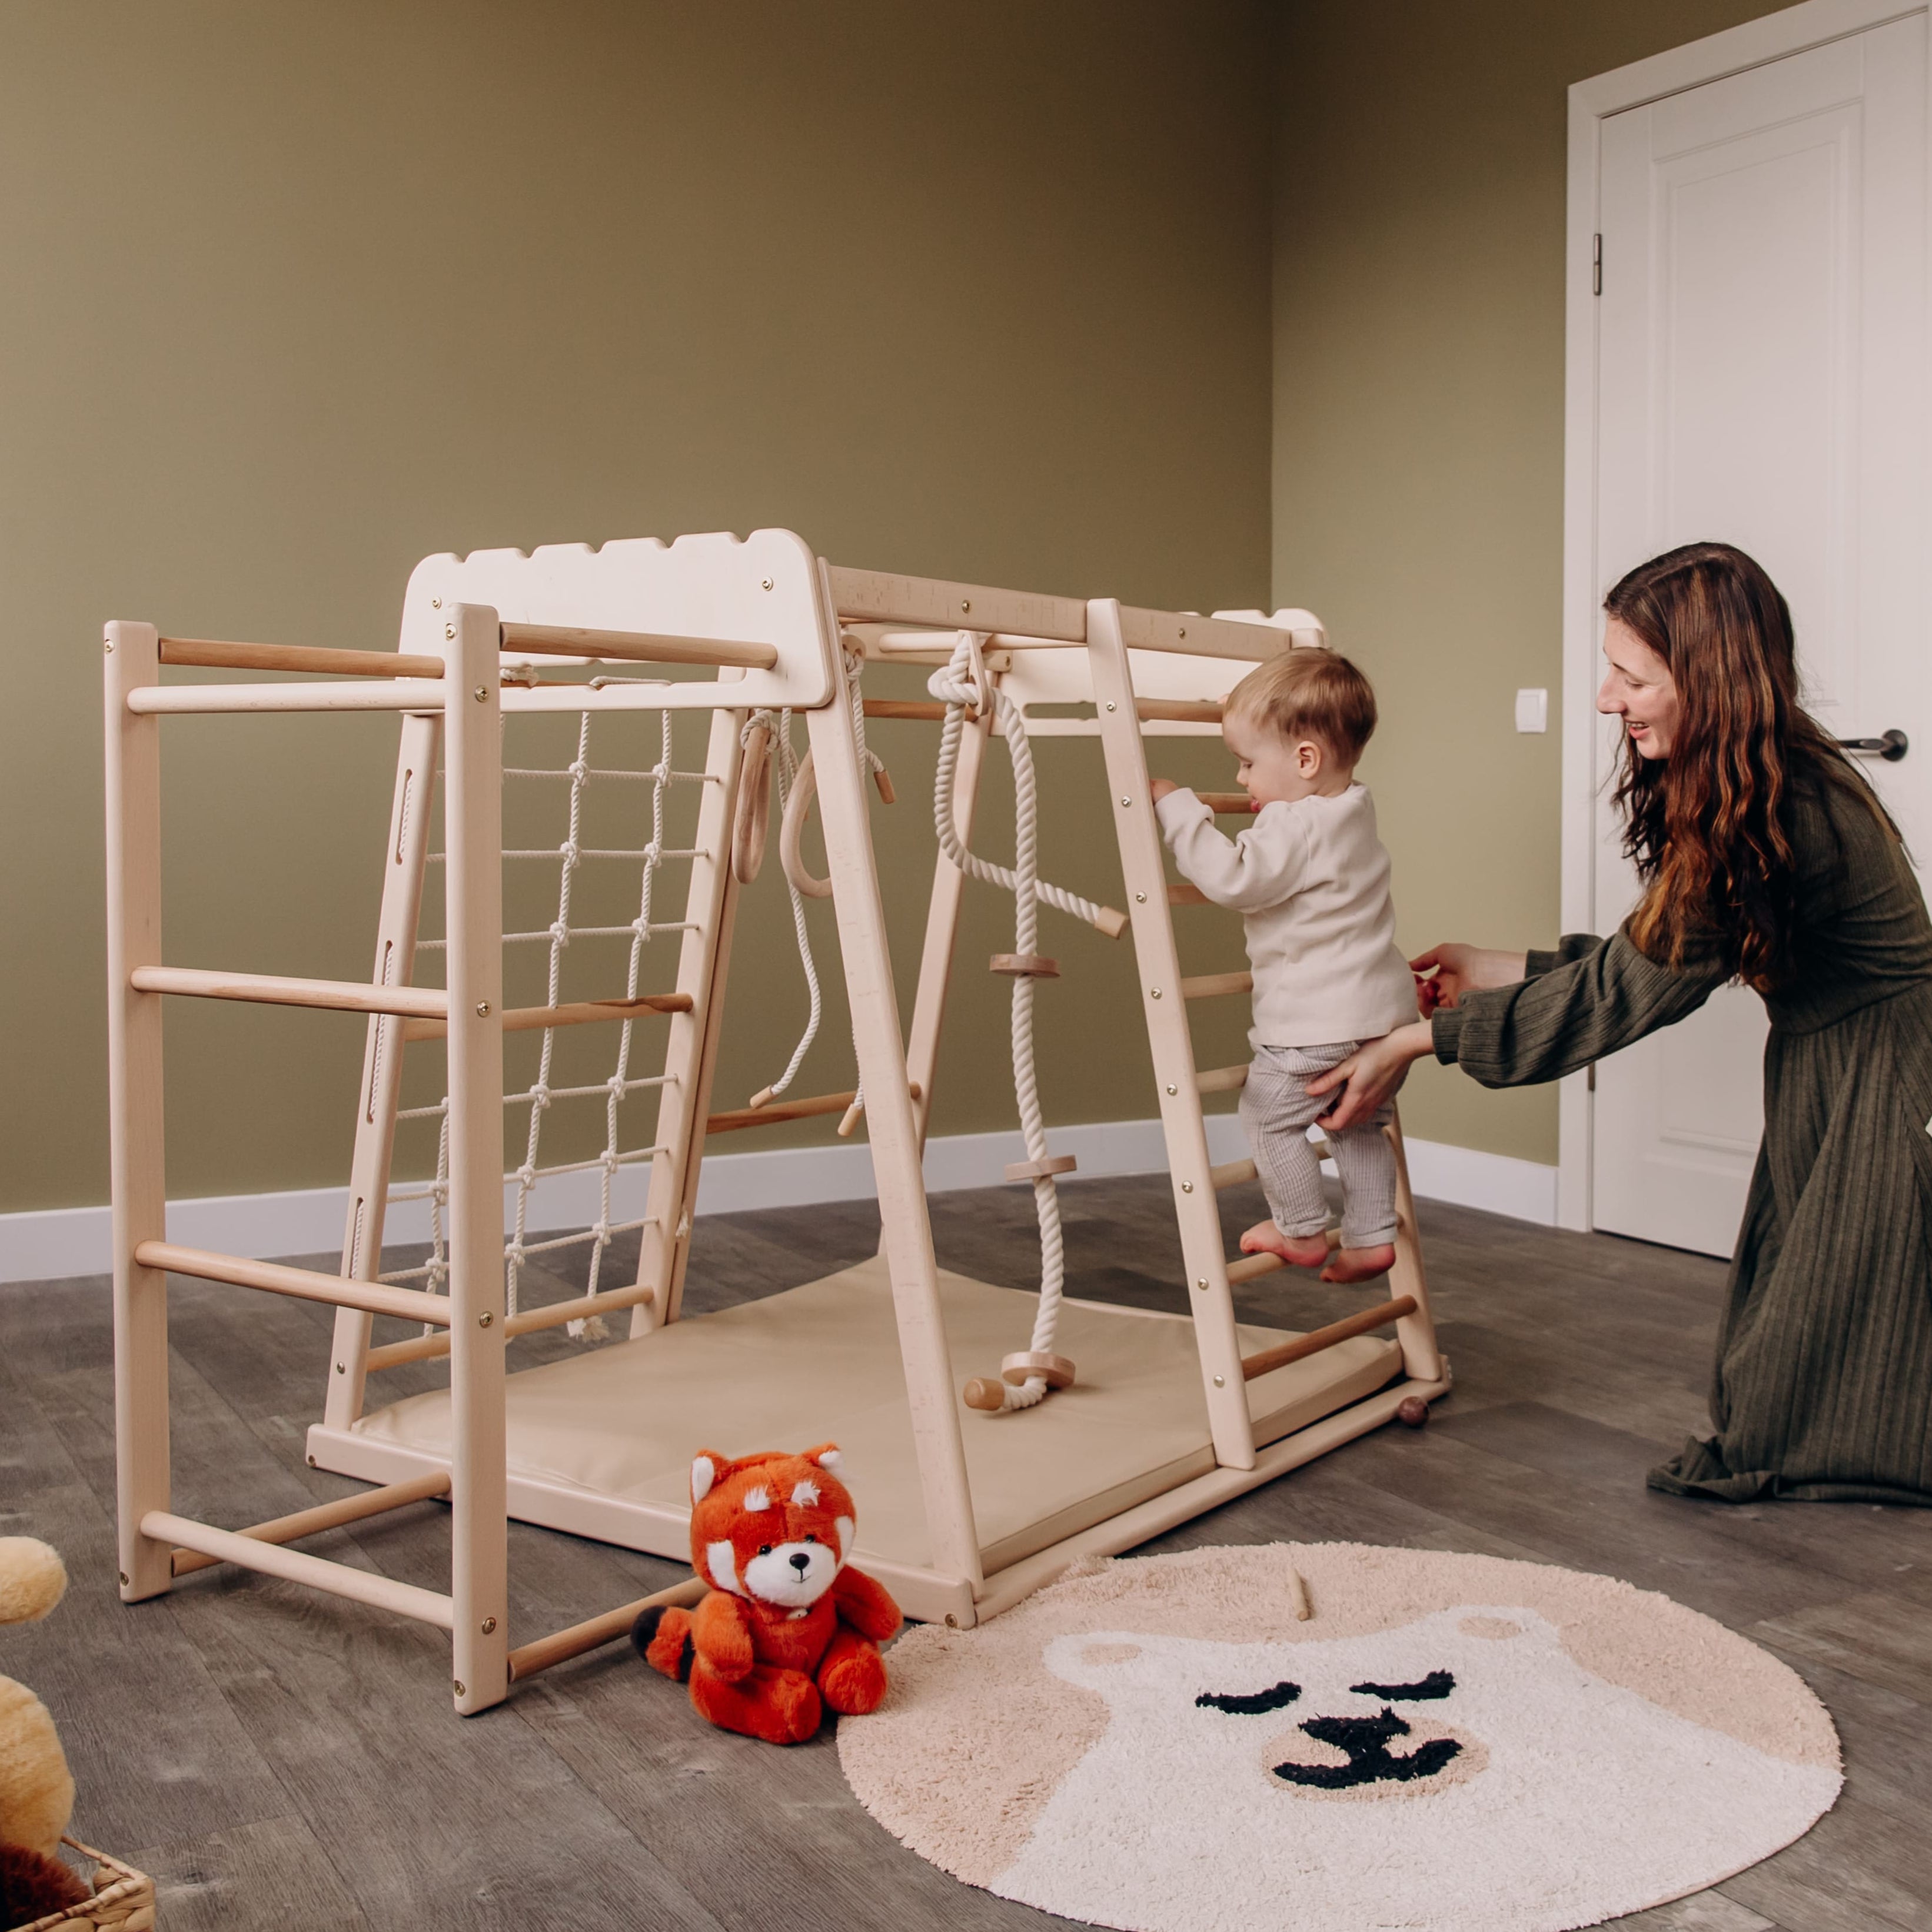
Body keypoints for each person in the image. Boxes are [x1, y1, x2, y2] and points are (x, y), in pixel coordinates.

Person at [1306, 540, 1932, 1505]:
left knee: (1830, 1364)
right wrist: (1499, 969)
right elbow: (1655, 953)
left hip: (1888, 1075)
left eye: (1630, 675)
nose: (1605, 698)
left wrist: (1417, 1040)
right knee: (1792, 1355)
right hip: (1836, 1059)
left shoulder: (1784, 802)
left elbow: (1624, 994)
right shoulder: (1765, 778)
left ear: (1710, 680)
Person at [1150, 649, 1417, 1285]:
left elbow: (1232, 876)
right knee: (1358, 1124)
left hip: (1315, 1021)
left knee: (1268, 1113)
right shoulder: (1351, 807)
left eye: (1246, 763)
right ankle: (1372, 1234)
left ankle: (1299, 1226)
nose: (1242, 780)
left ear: (1304, 761)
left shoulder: (1293, 827)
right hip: (1383, 1017)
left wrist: (1178, 811)